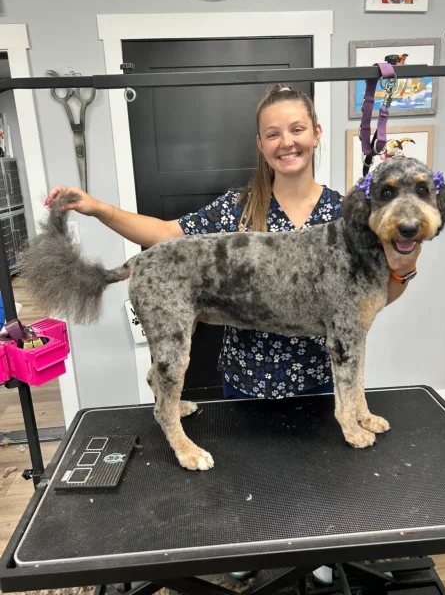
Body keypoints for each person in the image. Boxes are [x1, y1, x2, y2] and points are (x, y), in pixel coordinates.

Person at [45, 83, 420, 401]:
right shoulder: (236, 208)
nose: (286, 142)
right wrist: (98, 208)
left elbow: (374, 298)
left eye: (297, 129)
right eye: (273, 134)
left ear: (316, 133)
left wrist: (402, 270)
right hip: (245, 386)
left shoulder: (347, 213)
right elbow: (163, 235)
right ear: (261, 143)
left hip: (321, 385)